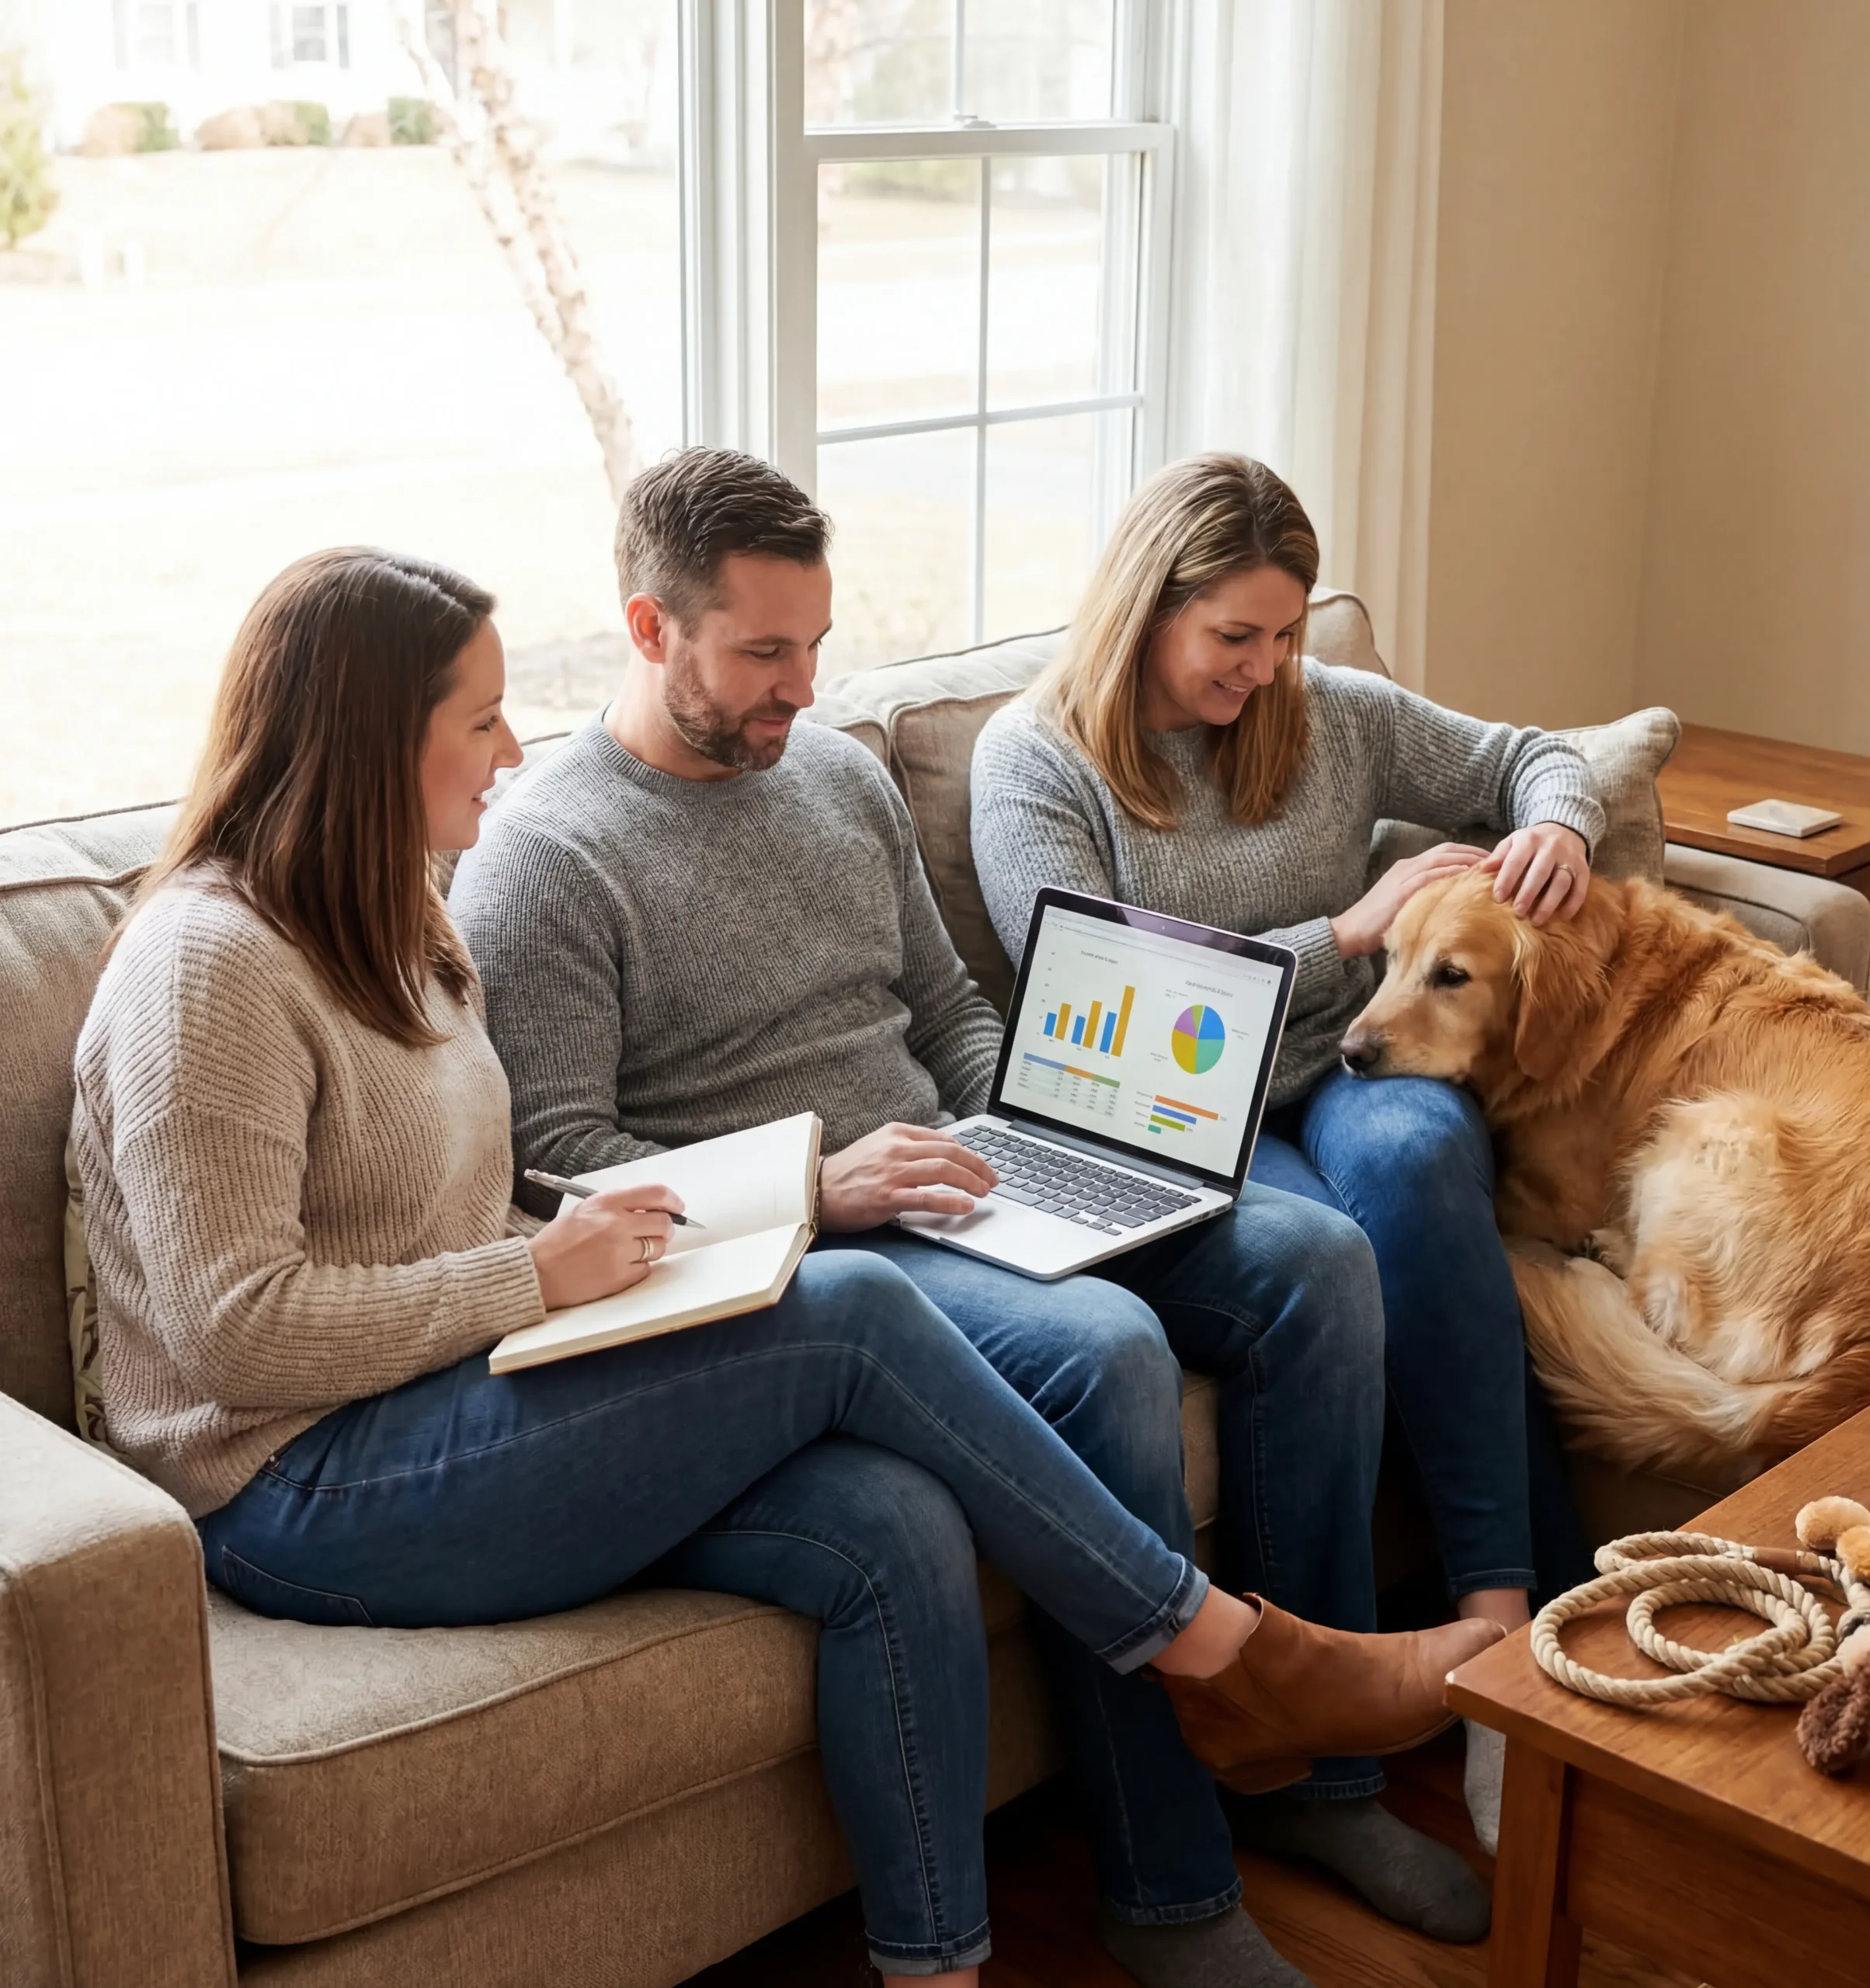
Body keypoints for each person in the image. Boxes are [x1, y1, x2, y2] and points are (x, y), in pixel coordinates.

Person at [70, 547, 1495, 1988]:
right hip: (292, 1480)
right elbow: (233, 1333)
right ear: (371, 738)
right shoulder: (210, 966)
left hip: (465, 1385)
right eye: (480, 719)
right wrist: (548, 1275)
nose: (511, 748)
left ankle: (937, 1968)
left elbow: (464, 1215)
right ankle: (1224, 1654)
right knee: (858, 1310)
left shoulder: (399, 917)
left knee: (889, 1519)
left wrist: (586, 1267)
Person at [448, 449, 1500, 1983]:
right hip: (805, 1248)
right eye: (760, 652)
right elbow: (560, 1170)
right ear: (647, 625)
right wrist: (822, 1181)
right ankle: (1168, 1889)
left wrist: (1042, 1122)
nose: (799, 687)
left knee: (1312, 1259)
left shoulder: (834, 774)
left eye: (813, 644)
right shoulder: (543, 857)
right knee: (1110, 1351)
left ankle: (1316, 1775)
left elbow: (941, 1005)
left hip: (967, 1175)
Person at [969, 452, 1606, 1856]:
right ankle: (1348, 1752)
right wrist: (1351, 931)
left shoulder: (1329, 716)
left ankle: (1509, 1628)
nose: (1264, 670)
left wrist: (1558, 821)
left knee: (1426, 1161)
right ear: (1146, 609)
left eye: (1285, 635)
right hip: (1180, 1116)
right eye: (1233, 638)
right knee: (1330, 1265)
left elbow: (1527, 756)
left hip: (1348, 1063)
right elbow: (1111, 1006)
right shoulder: (1035, 766)